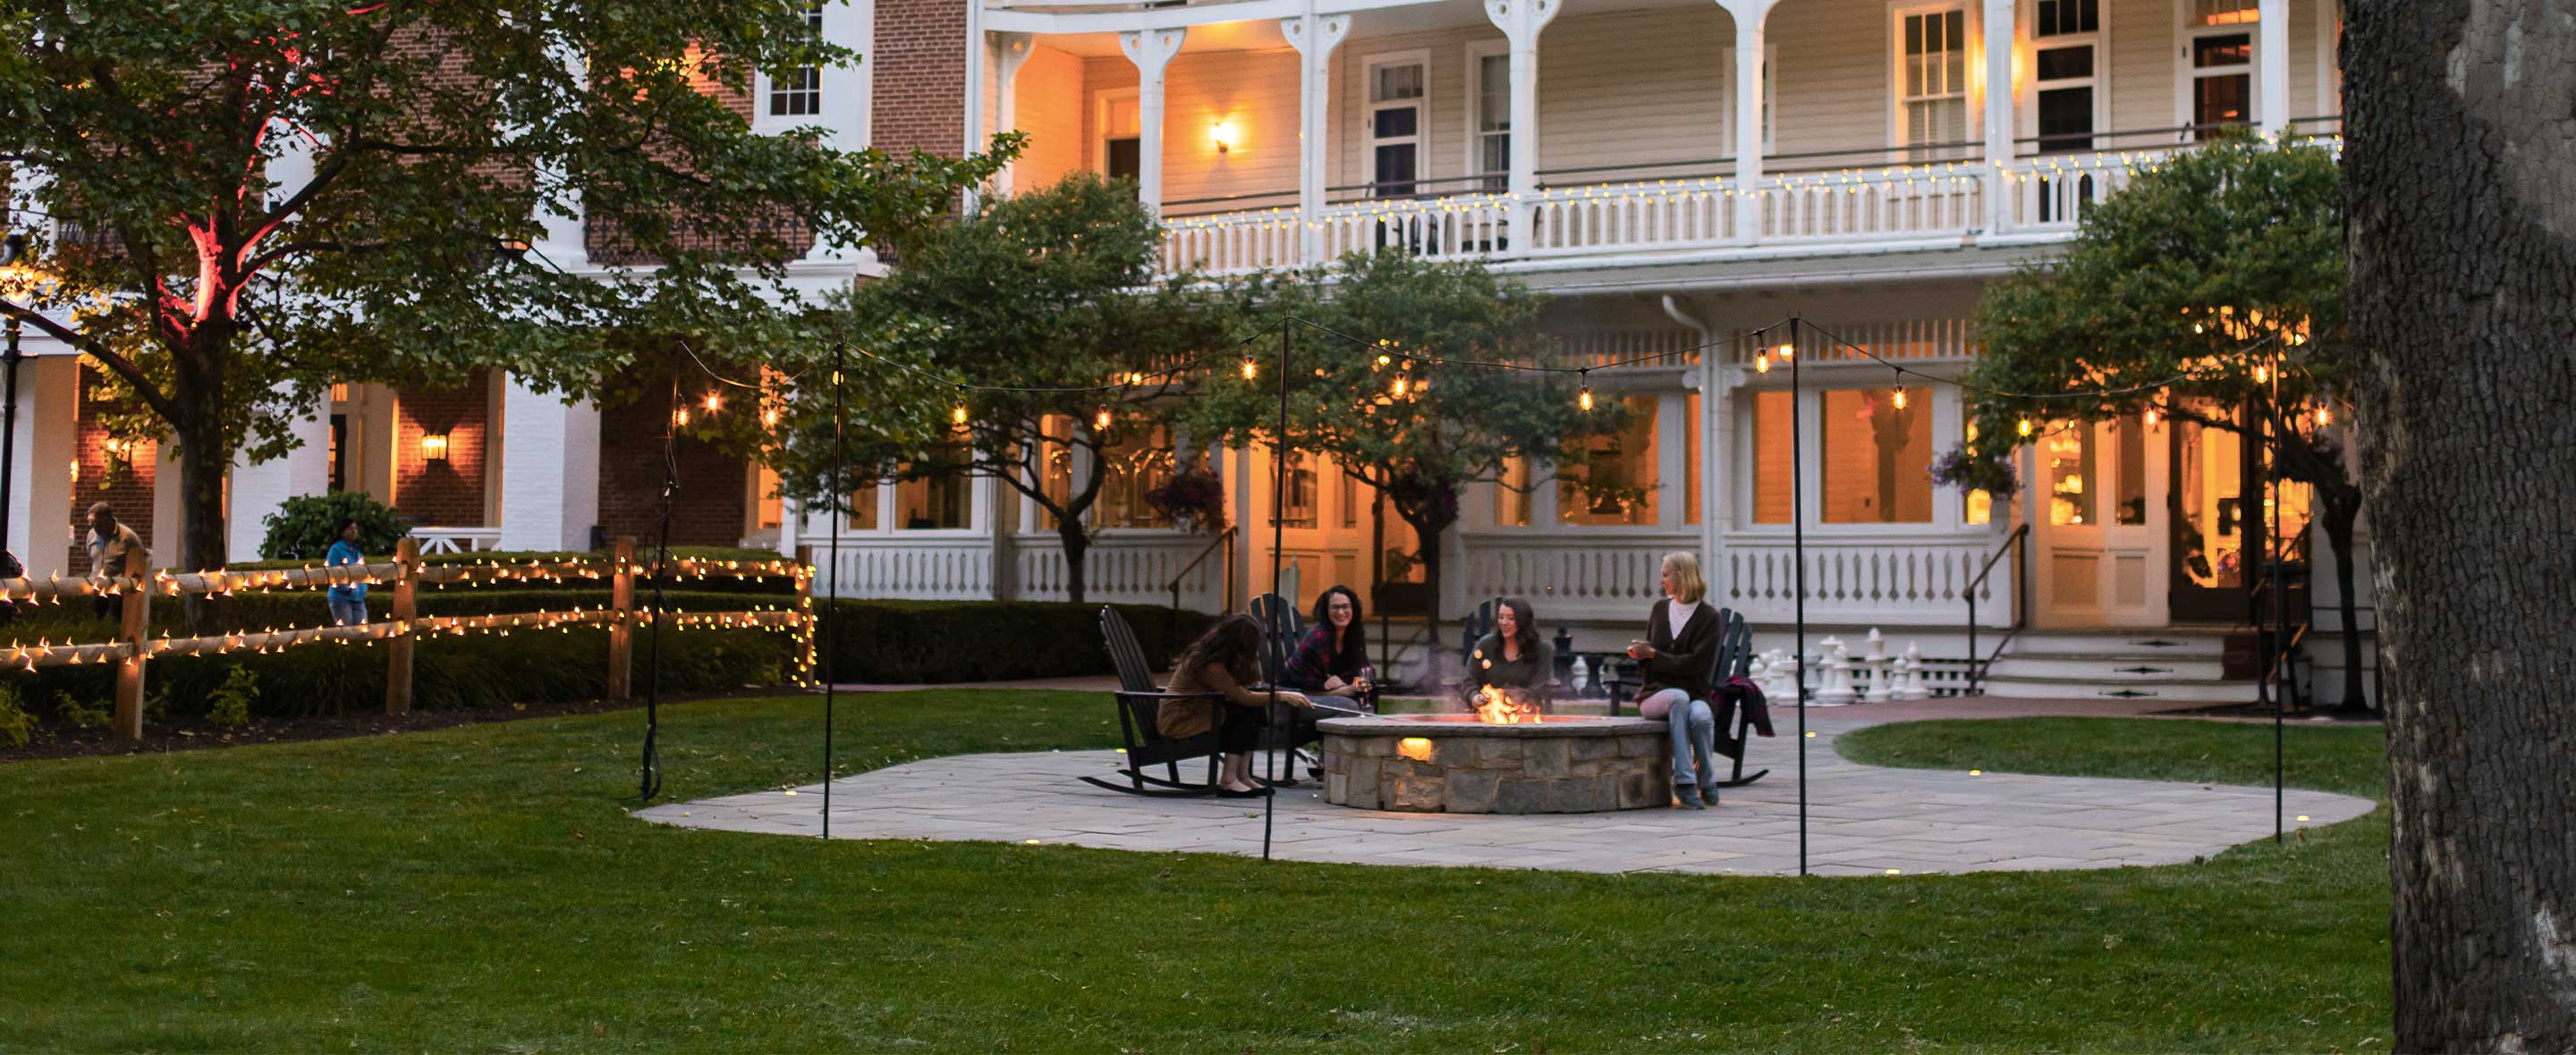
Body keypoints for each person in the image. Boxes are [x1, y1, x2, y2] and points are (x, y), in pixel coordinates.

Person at [1160, 613, 1315, 796]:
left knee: (1254, 709)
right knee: (1242, 710)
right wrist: (1281, 696)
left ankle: (1242, 775)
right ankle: (1228, 780)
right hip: (1180, 719)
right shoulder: (1209, 664)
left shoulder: (1223, 658)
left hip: (1203, 710)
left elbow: (1245, 690)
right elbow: (1240, 697)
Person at [1628, 552, 1724, 809]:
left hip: (1696, 694)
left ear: (1681, 575)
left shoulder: (1709, 618)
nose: (1662, 581)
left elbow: (1696, 664)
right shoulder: (1660, 610)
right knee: (1677, 699)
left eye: (1665, 575)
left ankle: (1708, 781)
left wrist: (1655, 656)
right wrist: (1642, 655)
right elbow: (1652, 660)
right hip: (1655, 695)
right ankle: (1684, 782)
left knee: (1701, 717)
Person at [1282, 585, 1373, 711]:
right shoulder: (1317, 639)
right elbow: (1307, 689)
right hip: (1302, 699)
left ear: (1353, 609)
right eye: (1335, 607)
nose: (1341, 612)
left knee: (1366, 706)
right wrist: (1346, 690)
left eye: (1345, 607)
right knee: (1351, 706)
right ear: (1326, 611)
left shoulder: (1354, 636)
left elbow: (1366, 677)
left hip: (1335, 695)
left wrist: (1346, 684)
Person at [1470, 596, 1555, 702]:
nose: (1504, 623)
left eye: (1511, 618)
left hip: (1527, 714)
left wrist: (1507, 696)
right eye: (1501, 617)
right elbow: (1469, 679)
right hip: (1490, 713)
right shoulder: (1485, 645)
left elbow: (1540, 687)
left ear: (1523, 621)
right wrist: (1474, 696)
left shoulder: (1543, 650)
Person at [84, 502, 148, 620]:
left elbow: (141, 559)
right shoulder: (92, 535)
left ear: (107, 519)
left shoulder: (128, 537)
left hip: (118, 592)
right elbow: (92, 557)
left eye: (95, 523)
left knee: (113, 622)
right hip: (97, 589)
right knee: (96, 623)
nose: (92, 526)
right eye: (90, 523)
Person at [326, 519, 369, 627]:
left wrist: (363, 589)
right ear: (342, 531)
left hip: (358, 598)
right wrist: (348, 590)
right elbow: (333, 573)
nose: (354, 531)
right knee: (345, 631)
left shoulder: (357, 550)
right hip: (341, 598)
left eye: (355, 528)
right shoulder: (336, 549)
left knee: (362, 630)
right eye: (350, 529)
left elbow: (363, 571)